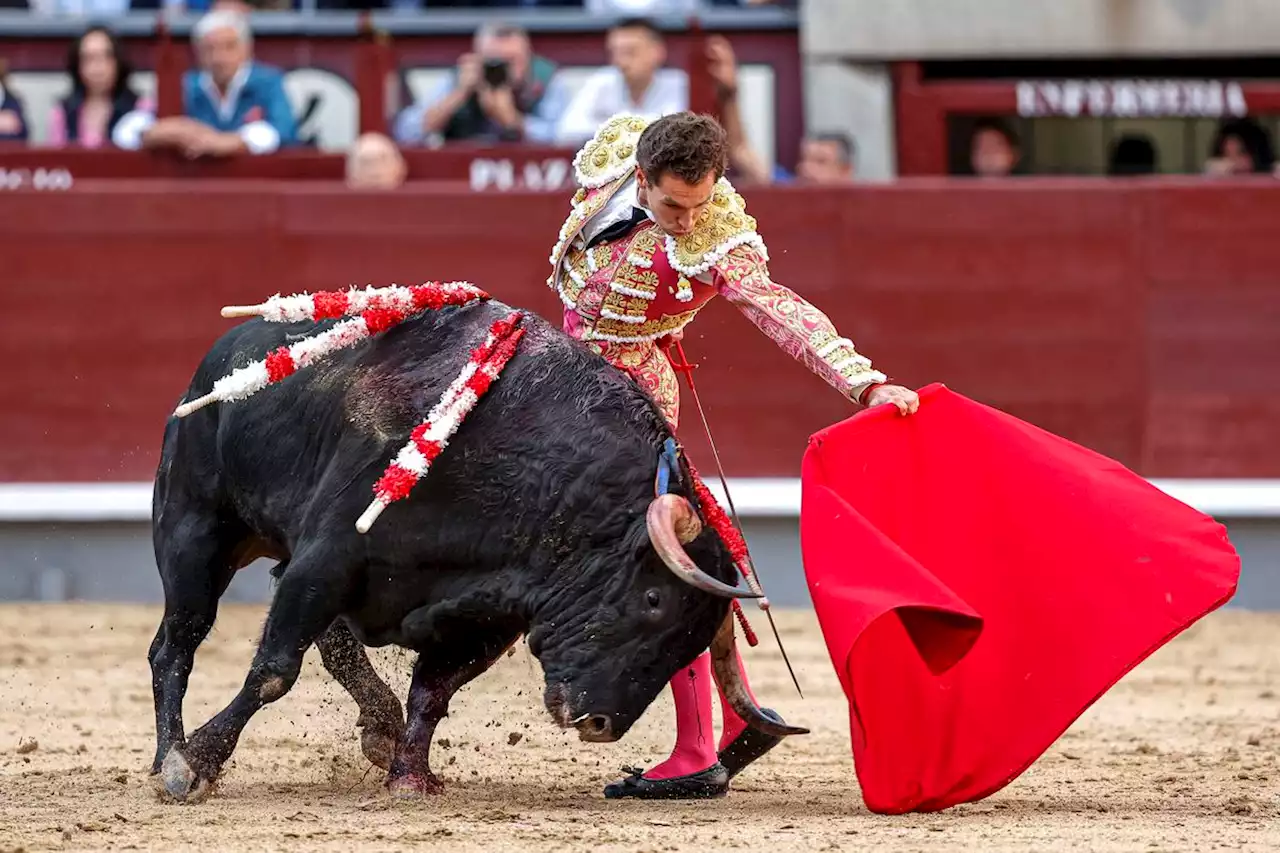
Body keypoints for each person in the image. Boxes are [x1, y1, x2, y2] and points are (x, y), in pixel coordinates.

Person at [547, 111, 919, 799]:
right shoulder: (618, 151)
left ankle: (694, 748)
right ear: (640, 176)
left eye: (702, 203)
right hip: (565, 370)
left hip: (627, 392)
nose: (690, 221)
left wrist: (862, 380)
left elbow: (780, 310)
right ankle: (735, 714)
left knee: (662, 556)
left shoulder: (719, 239)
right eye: (673, 206)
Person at [113, 10, 296, 157]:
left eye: (229, 47)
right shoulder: (186, 85)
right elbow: (126, 131)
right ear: (198, 54)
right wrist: (153, 132)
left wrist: (230, 142)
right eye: (210, 49)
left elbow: (283, 131)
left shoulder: (269, 82)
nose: (219, 57)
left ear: (247, 50)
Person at [393, 22, 566, 146]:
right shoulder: (459, 80)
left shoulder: (545, 80)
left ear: (528, 58)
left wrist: (513, 120)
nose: (503, 69)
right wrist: (458, 95)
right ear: (478, 57)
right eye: (494, 60)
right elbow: (405, 132)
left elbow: (562, 137)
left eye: (512, 61)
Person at [555, 18, 687, 148]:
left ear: (658, 52)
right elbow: (567, 130)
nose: (620, 62)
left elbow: (677, 135)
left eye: (630, 53)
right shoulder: (602, 81)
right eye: (614, 53)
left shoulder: (681, 85)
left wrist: (612, 128)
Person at [47, 25, 149, 149]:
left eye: (106, 57)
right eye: (89, 58)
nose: (97, 67)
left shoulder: (141, 107)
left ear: (118, 62)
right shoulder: (62, 112)